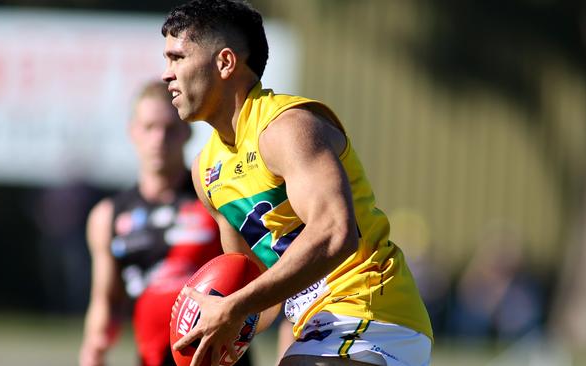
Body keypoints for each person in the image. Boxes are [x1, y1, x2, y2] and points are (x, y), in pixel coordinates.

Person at [161, 1, 433, 365]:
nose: (167, 74)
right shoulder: (206, 172)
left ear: (225, 63)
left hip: (372, 313)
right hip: (317, 327)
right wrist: (211, 326)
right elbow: (255, 290)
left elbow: (336, 234)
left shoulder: (287, 128)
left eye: (177, 58)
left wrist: (233, 307)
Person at [79, 80, 253, 366]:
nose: (159, 139)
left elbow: (254, 272)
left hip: (220, 358)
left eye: (169, 129)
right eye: (149, 128)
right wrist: (94, 348)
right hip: (153, 358)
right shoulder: (107, 216)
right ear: (132, 132)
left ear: (187, 131)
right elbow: (106, 301)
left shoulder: (215, 198)